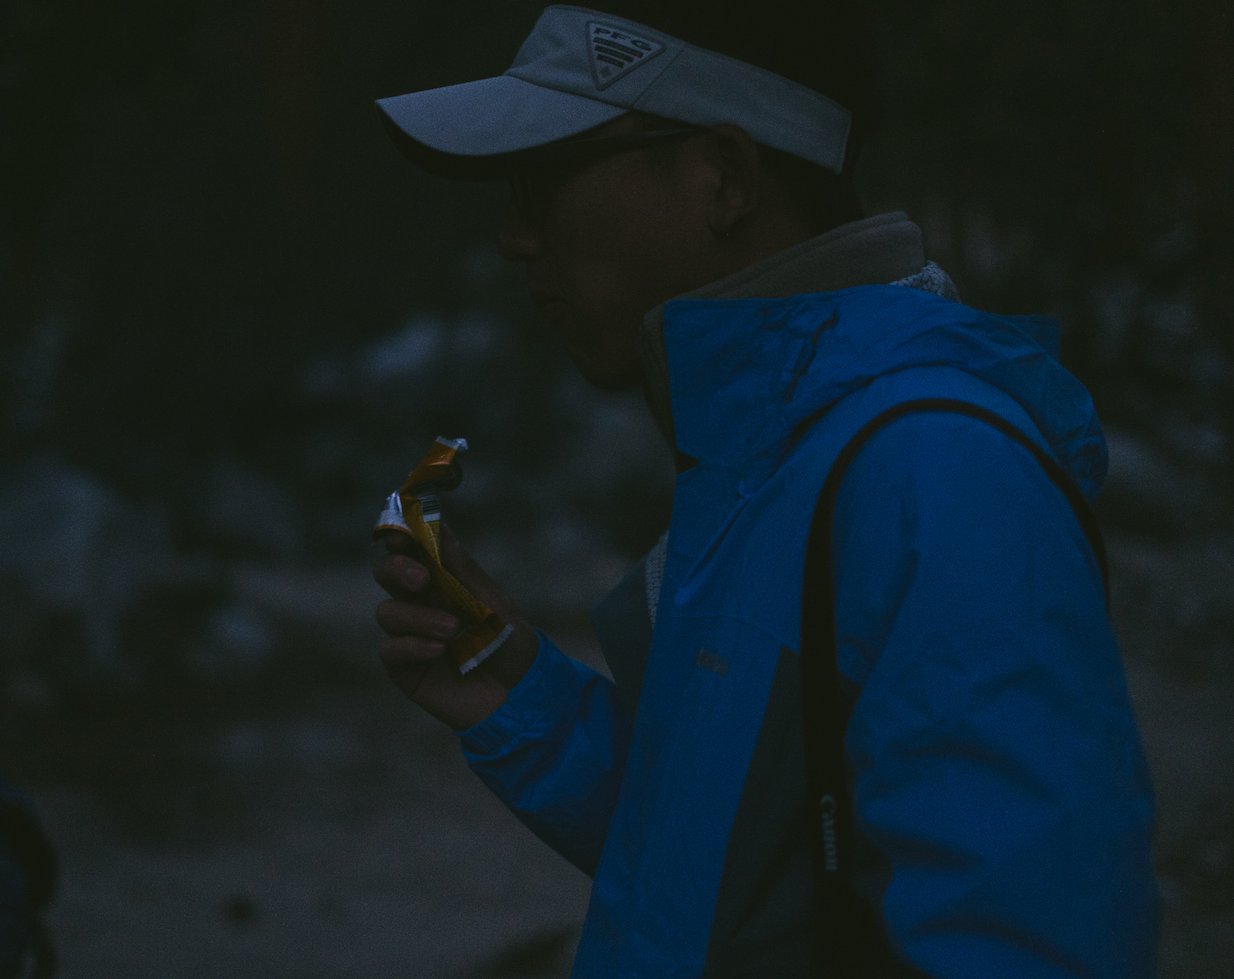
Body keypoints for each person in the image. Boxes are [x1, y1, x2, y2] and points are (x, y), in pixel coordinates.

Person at [370, 4, 1158, 977]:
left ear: (723, 178)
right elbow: (749, 877)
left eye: (541, 180)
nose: (512, 237)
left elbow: (1027, 946)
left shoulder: (937, 472)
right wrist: (522, 700)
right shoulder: (780, 453)